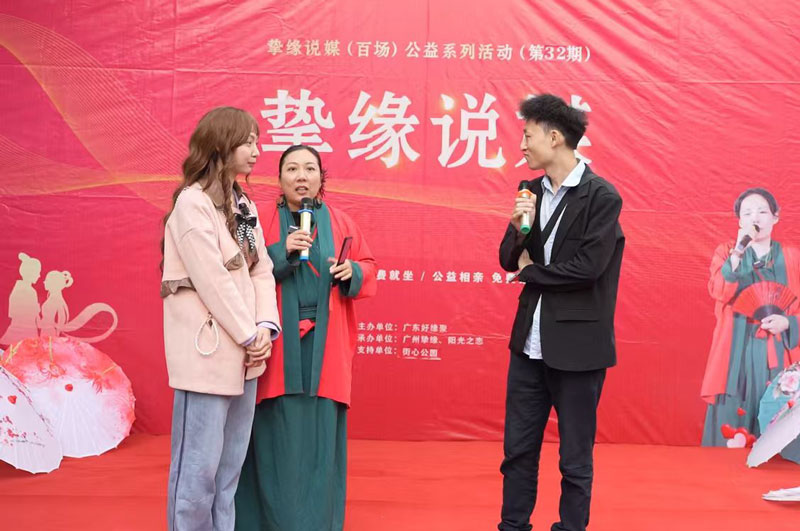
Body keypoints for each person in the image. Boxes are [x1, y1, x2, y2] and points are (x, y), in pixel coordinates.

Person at [498, 94, 624, 531]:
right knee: (517, 451)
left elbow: (588, 269)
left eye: (527, 136)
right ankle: (513, 525)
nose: (521, 146)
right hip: (528, 347)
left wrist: (531, 272)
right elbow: (507, 260)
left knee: (574, 457)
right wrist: (518, 230)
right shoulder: (529, 191)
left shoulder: (601, 197)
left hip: (578, 350)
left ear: (554, 138)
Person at [234, 144, 377, 531]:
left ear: (321, 177)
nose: (301, 176)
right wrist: (279, 252)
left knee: (321, 437)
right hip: (276, 345)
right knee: (271, 435)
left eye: (310, 169)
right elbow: (236, 270)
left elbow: (368, 267)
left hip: (326, 347)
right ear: (280, 179)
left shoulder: (342, 221)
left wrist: (352, 272)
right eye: (292, 169)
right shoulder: (258, 219)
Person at [161, 106, 280, 531]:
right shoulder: (192, 204)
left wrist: (264, 328)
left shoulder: (243, 204)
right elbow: (212, 279)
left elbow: (261, 269)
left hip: (247, 356)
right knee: (197, 473)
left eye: (256, 141)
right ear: (220, 145)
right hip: (209, 356)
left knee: (228, 473)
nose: (256, 150)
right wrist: (249, 334)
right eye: (247, 142)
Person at [701, 188, 800, 446]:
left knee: (778, 420)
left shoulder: (793, 257)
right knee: (732, 427)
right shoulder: (726, 252)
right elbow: (719, 291)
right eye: (747, 213)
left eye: (762, 211)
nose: (755, 217)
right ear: (740, 221)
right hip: (736, 349)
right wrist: (738, 251)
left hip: (778, 350)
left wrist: (789, 322)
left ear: (775, 217)